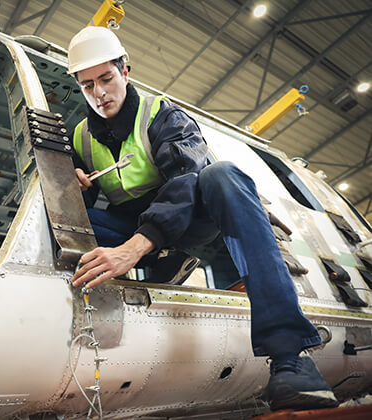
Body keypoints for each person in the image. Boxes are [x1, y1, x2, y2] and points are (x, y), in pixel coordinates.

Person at [67, 26, 339, 411]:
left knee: (221, 176)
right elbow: (93, 201)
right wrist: (74, 186)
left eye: (106, 79)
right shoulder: (80, 138)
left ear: (125, 71)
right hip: (137, 224)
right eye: (87, 84)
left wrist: (133, 249)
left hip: (192, 219)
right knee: (68, 221)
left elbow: (183, 182)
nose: (99, 93)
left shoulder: (163, 117)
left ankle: (292, 359)